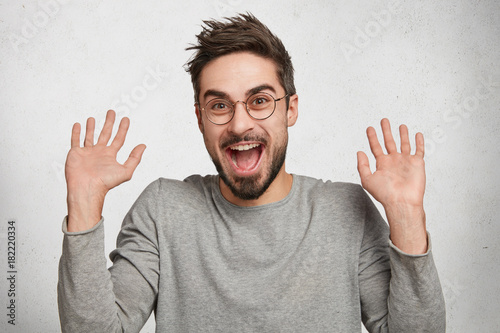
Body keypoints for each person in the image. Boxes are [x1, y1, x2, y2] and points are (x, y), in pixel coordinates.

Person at [58, 13, 446, 332]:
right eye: (220, 105)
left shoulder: (344, 210)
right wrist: (84, 205)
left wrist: (408, 216)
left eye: (259, 101)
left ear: (290, 109)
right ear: (200, 118)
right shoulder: (163, 209)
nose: (240, 125)